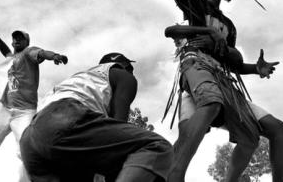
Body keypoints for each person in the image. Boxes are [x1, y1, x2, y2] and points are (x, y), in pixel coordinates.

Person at [100, 0, 283, 182]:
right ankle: (174, 174)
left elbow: (234, 64)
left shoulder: (229, 27)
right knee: (207, 108)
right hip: (198, 68)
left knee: (270, 131)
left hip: (224, 81)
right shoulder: (195, 3)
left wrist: (256, 68)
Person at [19, 52, 173, 182]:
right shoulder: (121, 75)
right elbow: (118, 124)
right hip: (63, 119)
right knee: (156, 146)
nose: (131, 72)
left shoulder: (80, 79)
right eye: (130, 68)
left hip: (30, 141)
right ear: (122, 65)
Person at [0, 28, 69, 182]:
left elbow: (42, 53)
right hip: (5, 110)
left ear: (27, 42)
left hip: (24, 113)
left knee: (25, 151)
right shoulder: (13, 57)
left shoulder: (29, 52)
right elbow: (5, 51)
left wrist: (55, 56)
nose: (16, 40)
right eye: (14, 38)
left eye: (20, 38)